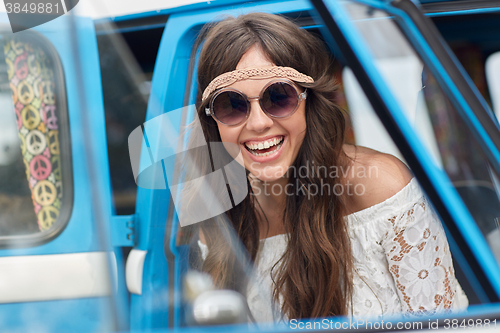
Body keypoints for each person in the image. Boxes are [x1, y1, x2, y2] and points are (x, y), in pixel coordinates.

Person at [188, 12, 468, 322]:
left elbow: (444, 326)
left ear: (309, 102)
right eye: (232, 105)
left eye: (279, 97)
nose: (258, 123)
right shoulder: (216, 214)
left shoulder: (380, 187)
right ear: (212, 121)